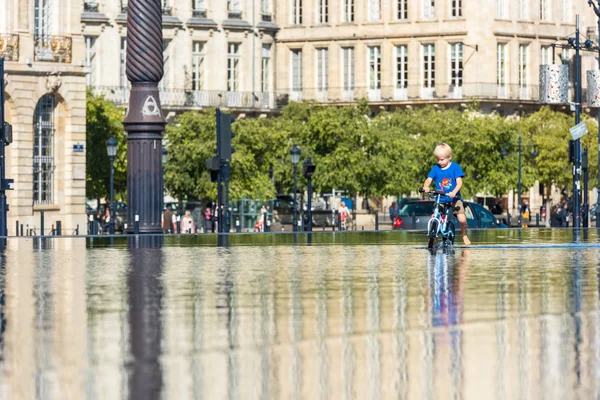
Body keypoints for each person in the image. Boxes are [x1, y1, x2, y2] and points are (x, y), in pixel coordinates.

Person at [422, 143, 471, 246]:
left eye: (442, 160)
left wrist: (454, 192)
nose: (439, 162)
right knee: (433, 217)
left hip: (454, 198)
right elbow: (429, 179)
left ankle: (464, 235)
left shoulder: (455, 167)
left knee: (462, 219)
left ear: (450, 157)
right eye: (438, 160)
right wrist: (426, 186)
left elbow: (459, 183)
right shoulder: (435, 168)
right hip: (441, 199)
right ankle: (433, 237)